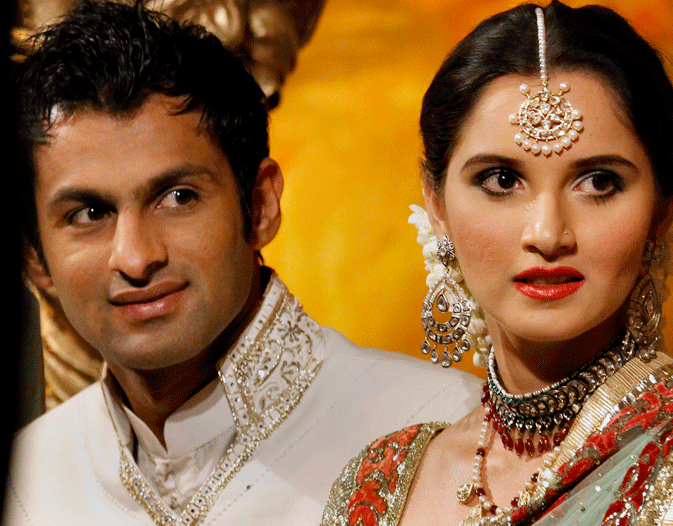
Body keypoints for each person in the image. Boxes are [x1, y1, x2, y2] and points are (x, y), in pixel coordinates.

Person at [321, 3, 673, 525]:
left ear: (662, 207)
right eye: (502, 180)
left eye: (598, 182)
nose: (547, 234)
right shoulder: (381, 484)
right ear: (435, 203)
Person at [7, 1, 482, 524]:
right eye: (90, 213)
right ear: (34, 257)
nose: (137, 258)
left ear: (260, 206)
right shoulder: (28, 481)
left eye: (178, 197)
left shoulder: (450, 433)